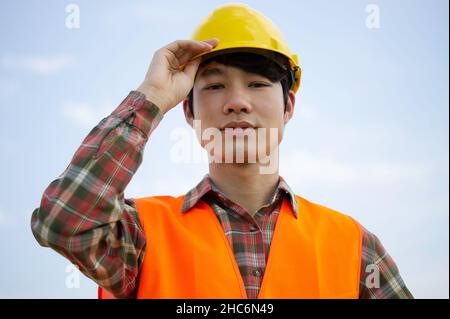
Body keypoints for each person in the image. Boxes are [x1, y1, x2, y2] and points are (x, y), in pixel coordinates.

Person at [30, 3, 413, 299]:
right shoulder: (139, 235)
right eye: (214, 87)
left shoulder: (353, 246)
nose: (236, 102)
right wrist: (152, 97)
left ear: (289, 107)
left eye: (258, 83)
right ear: (188, 111)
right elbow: (63, 221)